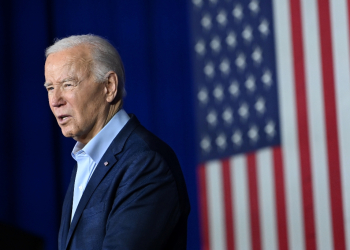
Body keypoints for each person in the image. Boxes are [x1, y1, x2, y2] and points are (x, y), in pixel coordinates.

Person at [44, 34, 190, 250]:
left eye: (67, 84)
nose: (55, 100)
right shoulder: (86, 160)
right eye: (50, 88)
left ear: (109, 86)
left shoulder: (145, 162)